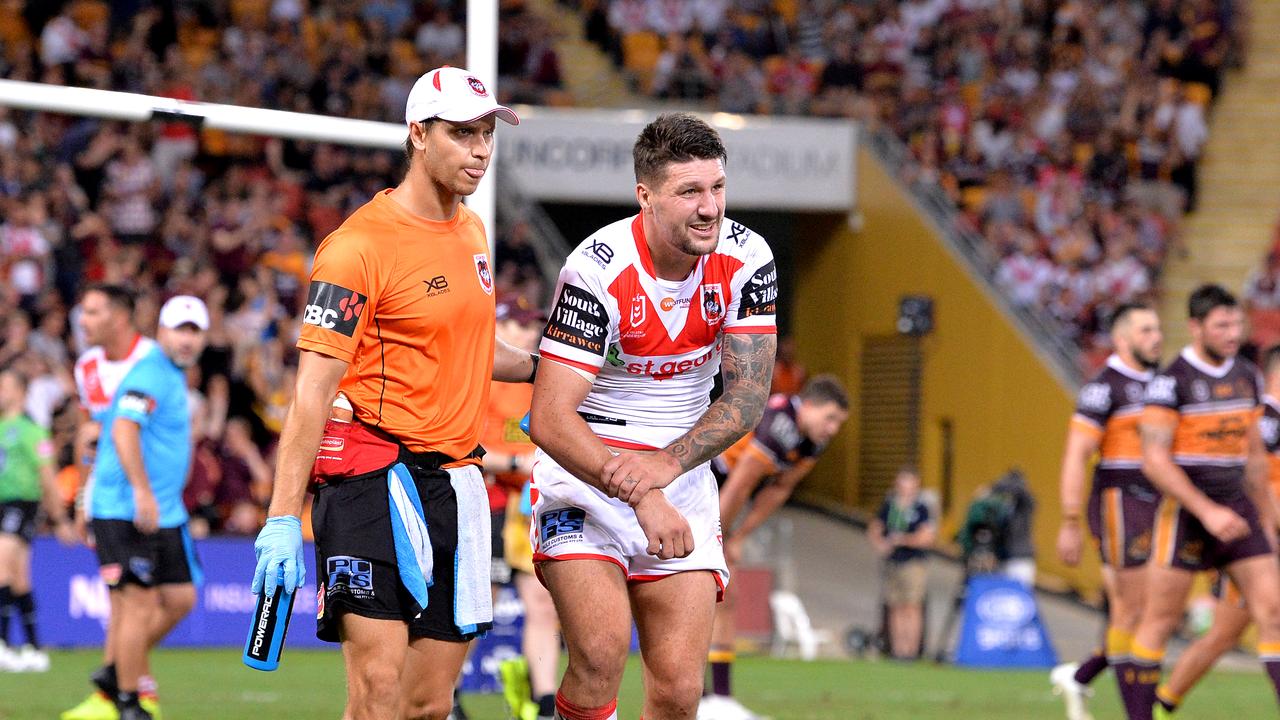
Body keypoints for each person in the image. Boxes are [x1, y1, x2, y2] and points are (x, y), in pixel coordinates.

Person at [251, 66, 533, 720]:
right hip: (369, 481)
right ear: (418, 134)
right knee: (376, 693)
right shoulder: (354, 249)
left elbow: (471, 348)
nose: (481, 150)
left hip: (456, 487)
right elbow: (311, 394)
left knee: (429, 703)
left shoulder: (472, 232)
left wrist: (554, 365)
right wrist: (281, 517)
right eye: (462, 134)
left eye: (487, 133)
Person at [528, 112, 778, 720]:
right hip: (585, 470)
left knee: (677, 691)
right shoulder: (597, 269)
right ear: (645, 195)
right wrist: (641, 493)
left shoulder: (748, 258)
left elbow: (745, 398)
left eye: (717, 187)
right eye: (689, 191)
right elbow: (551, 418)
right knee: (600, 656)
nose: (709, 207)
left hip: (681, 472)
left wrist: (663, 471)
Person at [1120, 284, 1280, 720]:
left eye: (1237, 323)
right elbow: (1154, 462)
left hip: (1239, 509)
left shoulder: (1247, 375)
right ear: (1195, 327)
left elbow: (1254, 460)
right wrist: (1206, 511)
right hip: (1187, 515)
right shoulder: (1171, 383)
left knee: (1273, 611)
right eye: (1221, 325)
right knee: (1160, 619)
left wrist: (1269, 521)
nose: (1233, 332)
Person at [699, 374, 849, 719]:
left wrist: (740, 536)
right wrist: (718, 537)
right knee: (707, 593)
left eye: (839, 422)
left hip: (722, 497)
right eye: (830, 418)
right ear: (808, 406)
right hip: (703, 484)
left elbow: (778, 490)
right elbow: (740, 483)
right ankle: (706, 698)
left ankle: (717, 699)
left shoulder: (812, 441)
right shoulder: (777, 421)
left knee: (724, 594)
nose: (833, 428)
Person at [88, 295, 210, 720]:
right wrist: (141, 490)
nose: (187, 340)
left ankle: (113, 669)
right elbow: (123, 429)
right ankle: (127, 701)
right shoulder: (152, 374)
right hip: (126, 508)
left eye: (195, 332)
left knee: (180, 598)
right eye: (180, 329)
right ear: (161, 332)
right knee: (135, 604)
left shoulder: (172, 376)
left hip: (164, 511)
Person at [1051, 302, 1163, 720]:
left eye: (1156, 329)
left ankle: (1080, 678)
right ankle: (1140, 714)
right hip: (1121, 501)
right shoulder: (1104, 387)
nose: (1156, 337)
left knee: (1147, 611)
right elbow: (1076, 453)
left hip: (1158, 504)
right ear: (1122, 339)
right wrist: (1069, 521)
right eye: (1146, 330)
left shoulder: (1162, 383)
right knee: (1134, 611)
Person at [63, 285, 161, 720]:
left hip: (152, 495)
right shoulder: (86, 367)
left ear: (120, 316)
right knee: (124, 598)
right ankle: (127, 695)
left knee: (168, 599)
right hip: (107, 500)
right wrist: (83, 499)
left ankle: (118, 680)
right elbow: (87, 437)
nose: (82, 320)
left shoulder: (153, 359)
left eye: (92, 312)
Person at [0, 368, 74, 672]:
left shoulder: (32, 430)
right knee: (19, 579)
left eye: (5, 386)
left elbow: (47, 475)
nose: (1, 391)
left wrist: (59, 519)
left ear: (21, 392)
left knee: (1, 566)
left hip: (21, 504)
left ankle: (2, 644)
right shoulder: (2, 426)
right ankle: (34, 648)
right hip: (3, 504)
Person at [868, 468, 936, 661]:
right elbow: (875, 528)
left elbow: (927, 537)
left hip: (912, 562)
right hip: (893, 562)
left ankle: (911, 651)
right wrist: (881, 544)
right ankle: (898, 650)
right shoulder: (890, 506)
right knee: (895, 605)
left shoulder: (921, 508)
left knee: (912, 606)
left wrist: (904, 540)